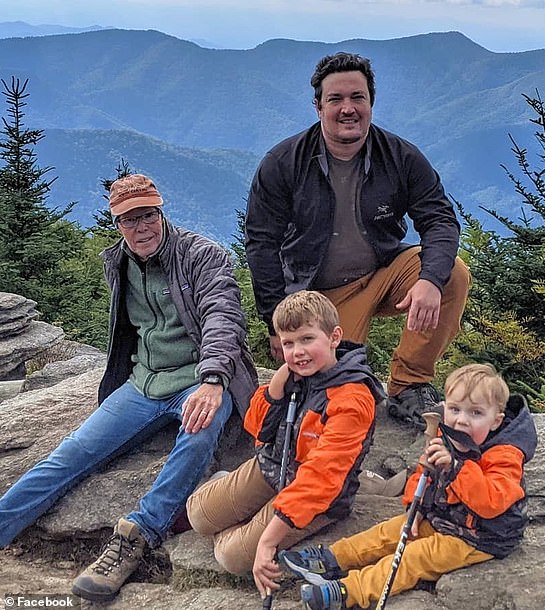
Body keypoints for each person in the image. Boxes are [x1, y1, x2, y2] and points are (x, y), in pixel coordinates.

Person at [0, 174, 258, 602]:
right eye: (129, 219)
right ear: (116, 223)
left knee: (197, 437)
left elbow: (223, 316)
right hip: (143, 382)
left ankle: (138, 535)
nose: (141, 227)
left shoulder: (202, 255)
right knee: (74, 451)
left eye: (148, 215)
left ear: (161, 212)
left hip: (199, 377)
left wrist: (214, 380)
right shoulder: (117, 261)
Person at [245, 51, 471, 429]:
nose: (347, 108)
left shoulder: (400, 156)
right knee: (331, 398)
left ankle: (409, 384)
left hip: (381, 274)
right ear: (318, 107)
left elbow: (440, 221)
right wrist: (276, 322)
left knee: (452, 274)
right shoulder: (283, 162)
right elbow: (261, 244)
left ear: (371, 103)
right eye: (336, 99)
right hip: (318, 298)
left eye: (357, 98)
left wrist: (430, 281)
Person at [279, 363, 538, 610]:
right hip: (444, 518)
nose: (462, 421)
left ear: (496, 421)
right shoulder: (447, 435)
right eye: (455, 409)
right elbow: (423, 474)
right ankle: (333, 559)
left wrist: (456, 468)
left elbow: (490, 503)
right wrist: (417, 508)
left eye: (476, 413)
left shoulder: (505, 454)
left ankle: (349, 591)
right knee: (390, 531)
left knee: (414, 557)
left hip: (479, 536)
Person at [185, 290, 385, 599]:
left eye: (307, 339)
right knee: (196, 515)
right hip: (271, 465)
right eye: (288, 343)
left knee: (232, 557)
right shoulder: (299, 374)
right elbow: (258, 430)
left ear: (334, 337)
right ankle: (240, 509)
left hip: (315, 497)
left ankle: (247, 519)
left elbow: (319, 480)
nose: (297, 352)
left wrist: (268, 540)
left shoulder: (352, 399)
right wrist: (279, 383)